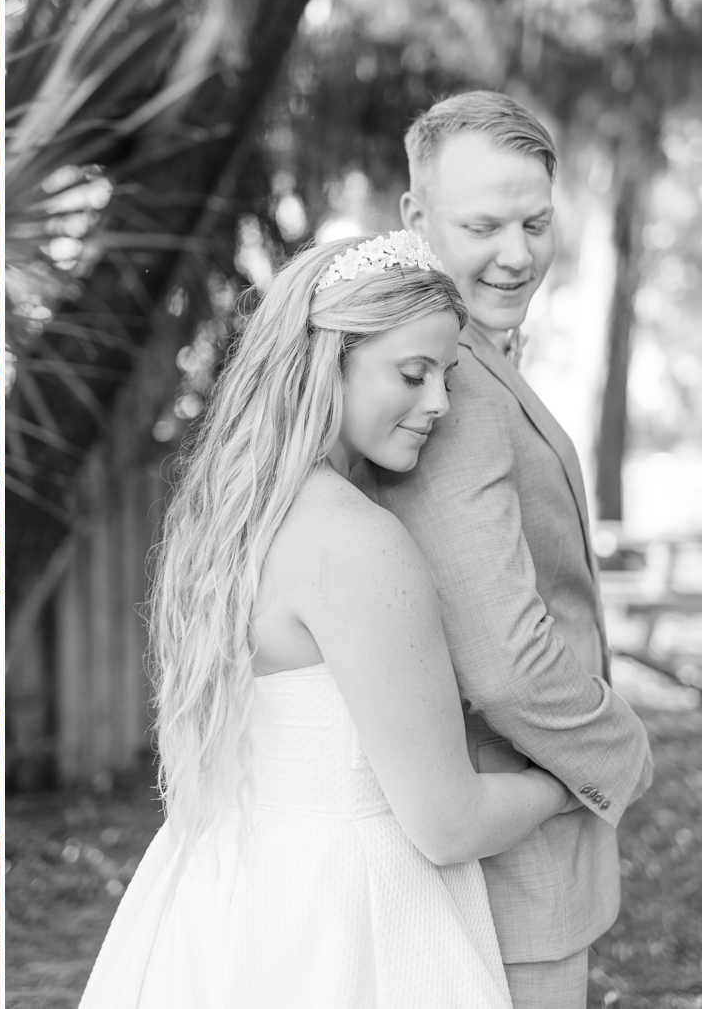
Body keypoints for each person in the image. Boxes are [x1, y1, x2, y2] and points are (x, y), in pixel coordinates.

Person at [80, 232, 581, 1008]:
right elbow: (447, 822)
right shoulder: (359, 543)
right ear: (327, 361)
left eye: (446, 376)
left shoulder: (226, 513)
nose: (442, 403)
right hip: (349, 915)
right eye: (412, 374)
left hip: (223, 893)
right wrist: (563, 779)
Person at [380, 90, 653, 1007]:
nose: (517, 252)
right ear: (416, 217)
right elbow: (502, 657)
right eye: (484, 224)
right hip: (506, 859)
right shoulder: (443, 378)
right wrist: (624, 749)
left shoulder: (473, 351)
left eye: (536, 221)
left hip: (522, 849)